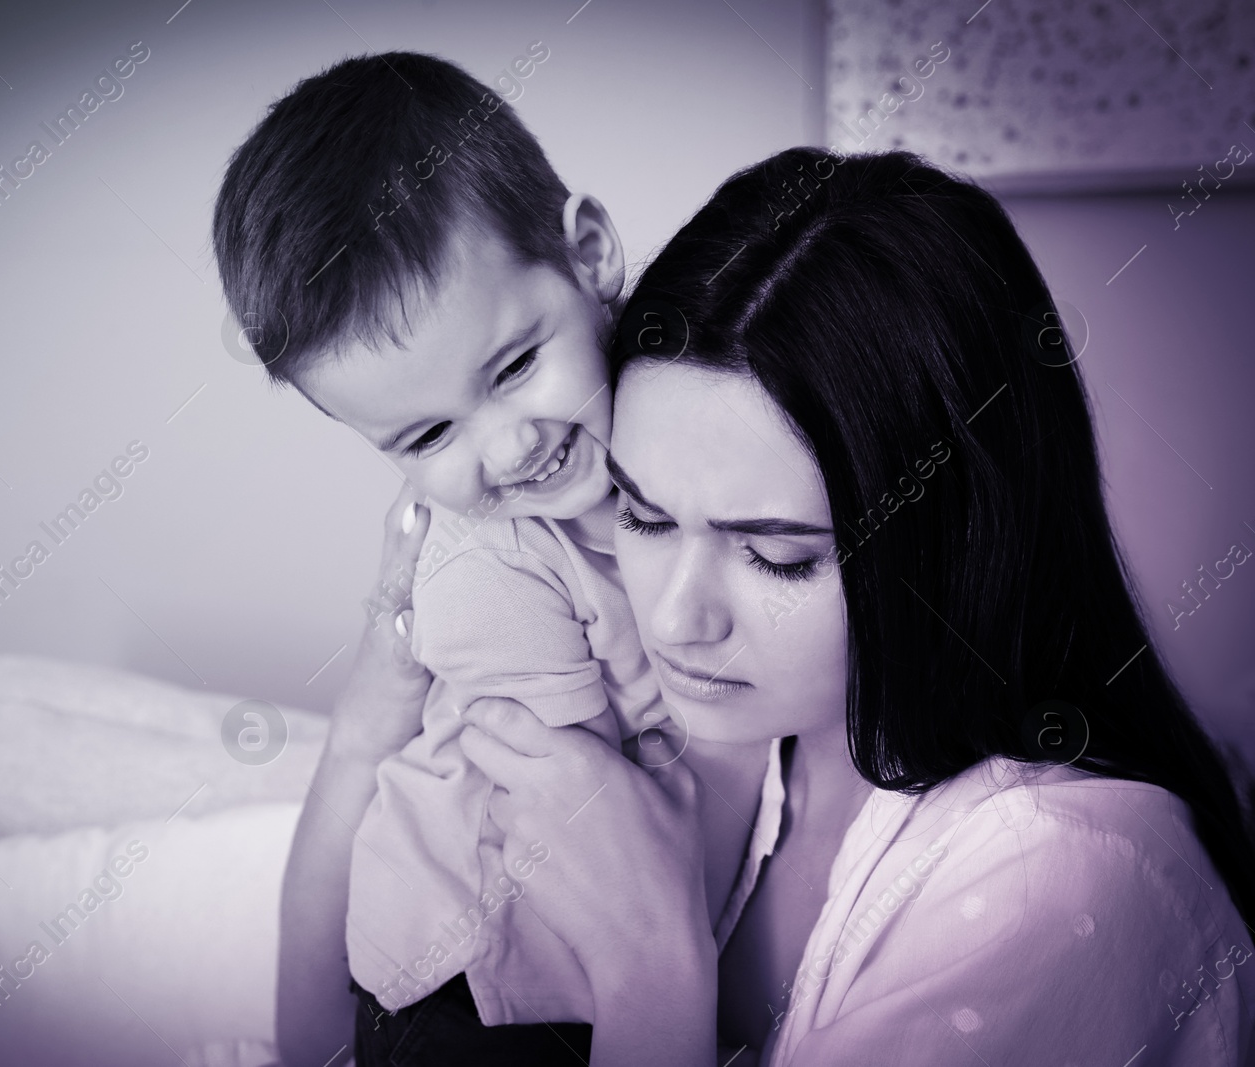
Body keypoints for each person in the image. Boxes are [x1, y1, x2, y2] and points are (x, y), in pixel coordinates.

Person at [452, 148, 1255, 1065]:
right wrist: (365, 730)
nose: (675, 621)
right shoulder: (742, 750)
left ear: (954, 541)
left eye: (778, 557)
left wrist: (649, 961)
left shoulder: (1064, 879)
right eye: (640, 515)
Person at [210, 52, 766, 1064]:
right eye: (426, 438)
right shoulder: (481, 566)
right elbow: (607, 837)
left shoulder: (702, 437)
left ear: (590, 254)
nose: (506, 448)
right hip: (470, 989)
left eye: (514, 366)